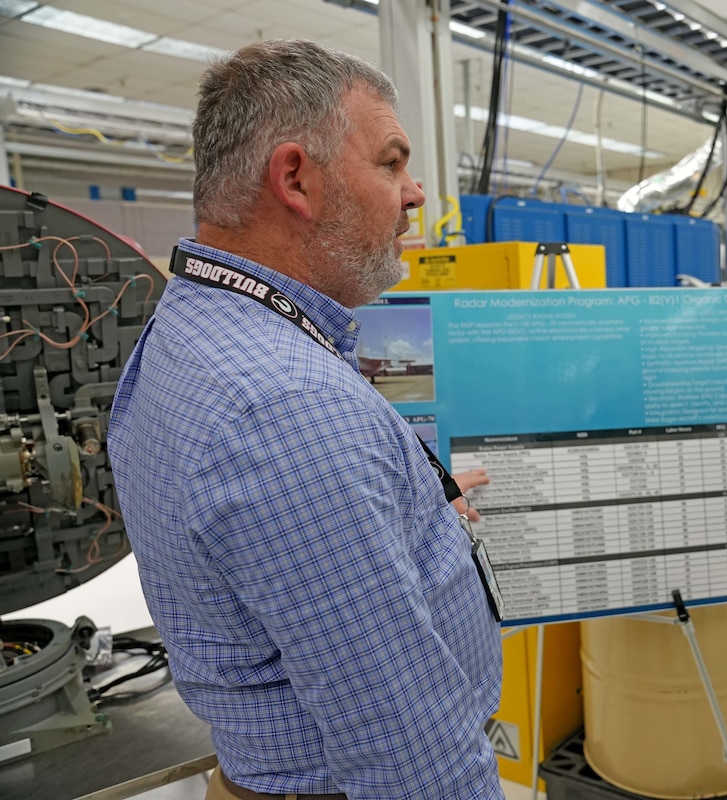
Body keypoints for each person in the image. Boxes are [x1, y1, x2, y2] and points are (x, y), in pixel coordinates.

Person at [108, 40, 505, 799]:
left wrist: (409, 511)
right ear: (295, 177)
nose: (415, 192)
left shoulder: (197, 325)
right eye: (391, 162)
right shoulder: (285, 408)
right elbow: (408, 750)